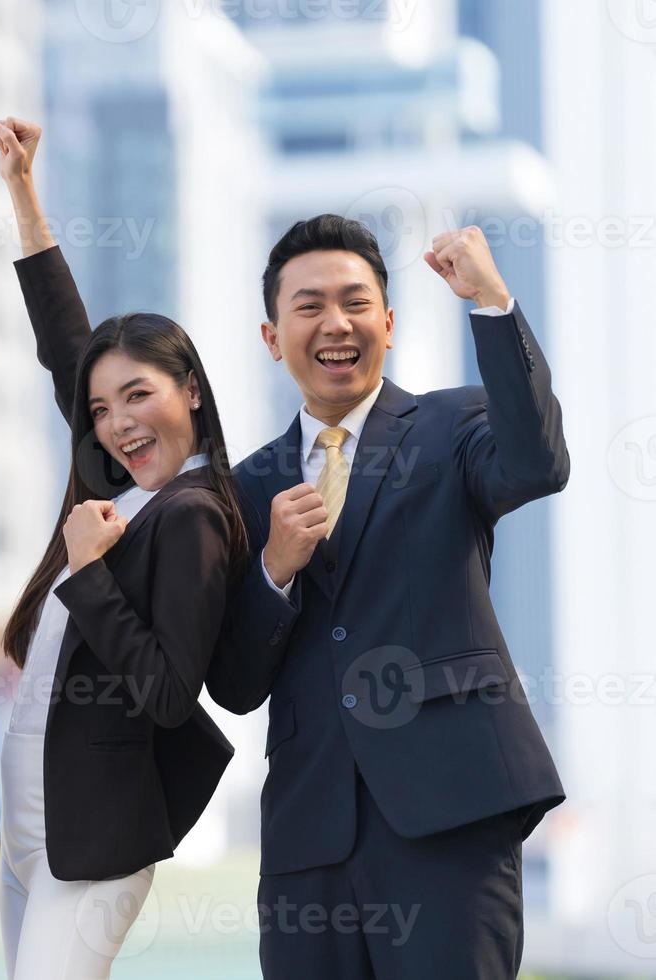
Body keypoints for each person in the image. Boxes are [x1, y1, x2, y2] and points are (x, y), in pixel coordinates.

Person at [208, 210, 569, 975]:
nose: (335, 323)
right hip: (312, 842)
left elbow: (536, 463)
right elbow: (234, 685)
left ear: (389, 322)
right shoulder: (244, 490)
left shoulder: (452, 425)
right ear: (272, 338)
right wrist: (273, 569)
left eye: (355, 301)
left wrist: (492, 303)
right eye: (308, 306)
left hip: (451, 820)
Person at [0, 117, 240, 978]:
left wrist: (90, 573)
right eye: (102, 410)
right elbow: (68, 346)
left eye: (139, 396)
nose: (117, 423)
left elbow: (171, 692)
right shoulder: (126, 489)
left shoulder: (194, 512)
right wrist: (24, 194)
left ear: (193, 392)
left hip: (96, 827)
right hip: (33, 808)